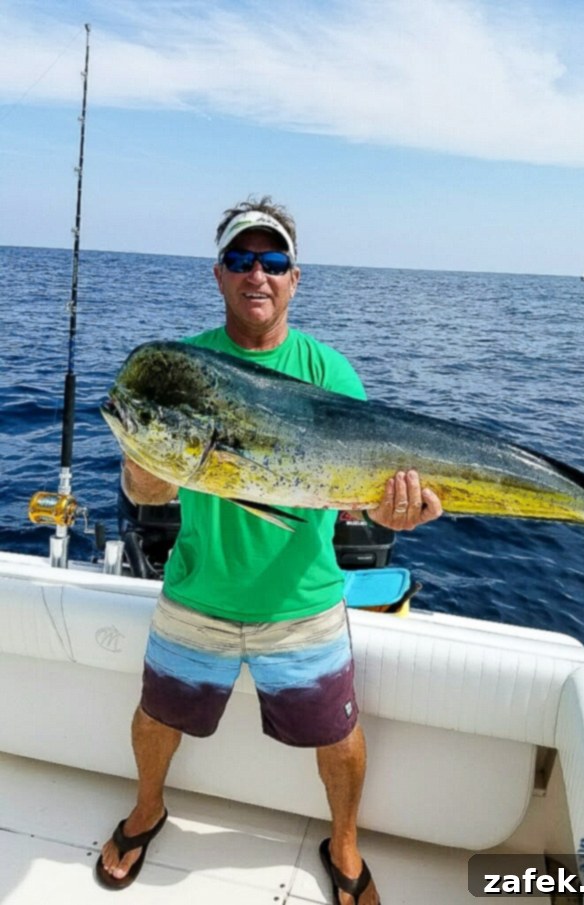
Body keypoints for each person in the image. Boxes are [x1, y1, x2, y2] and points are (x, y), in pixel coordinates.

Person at [96, 197, 443, 904]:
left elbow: (362, 490)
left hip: (302, 601)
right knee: (155, 718)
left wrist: (395, 509)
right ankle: (147, 808)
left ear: (295, 277)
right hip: (199, 592)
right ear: (219, 273)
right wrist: (149, 463)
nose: (259, 273)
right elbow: (145, 487)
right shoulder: (182, 369)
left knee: (338, 738)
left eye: (274, 260)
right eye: (242, 259)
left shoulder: (328, 369)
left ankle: (343, 841)